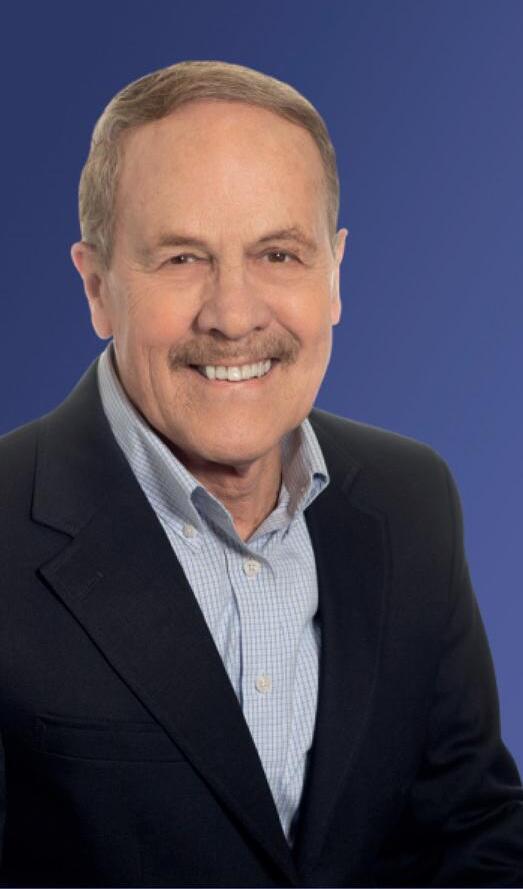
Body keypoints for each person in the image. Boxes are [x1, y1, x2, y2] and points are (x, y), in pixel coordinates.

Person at [1, 60, 522, 888]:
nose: (234, 315)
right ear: (97, 286)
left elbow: (473, 832)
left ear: (334, 274)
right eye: (182, 258)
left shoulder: (412, 499)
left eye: (278, 253)